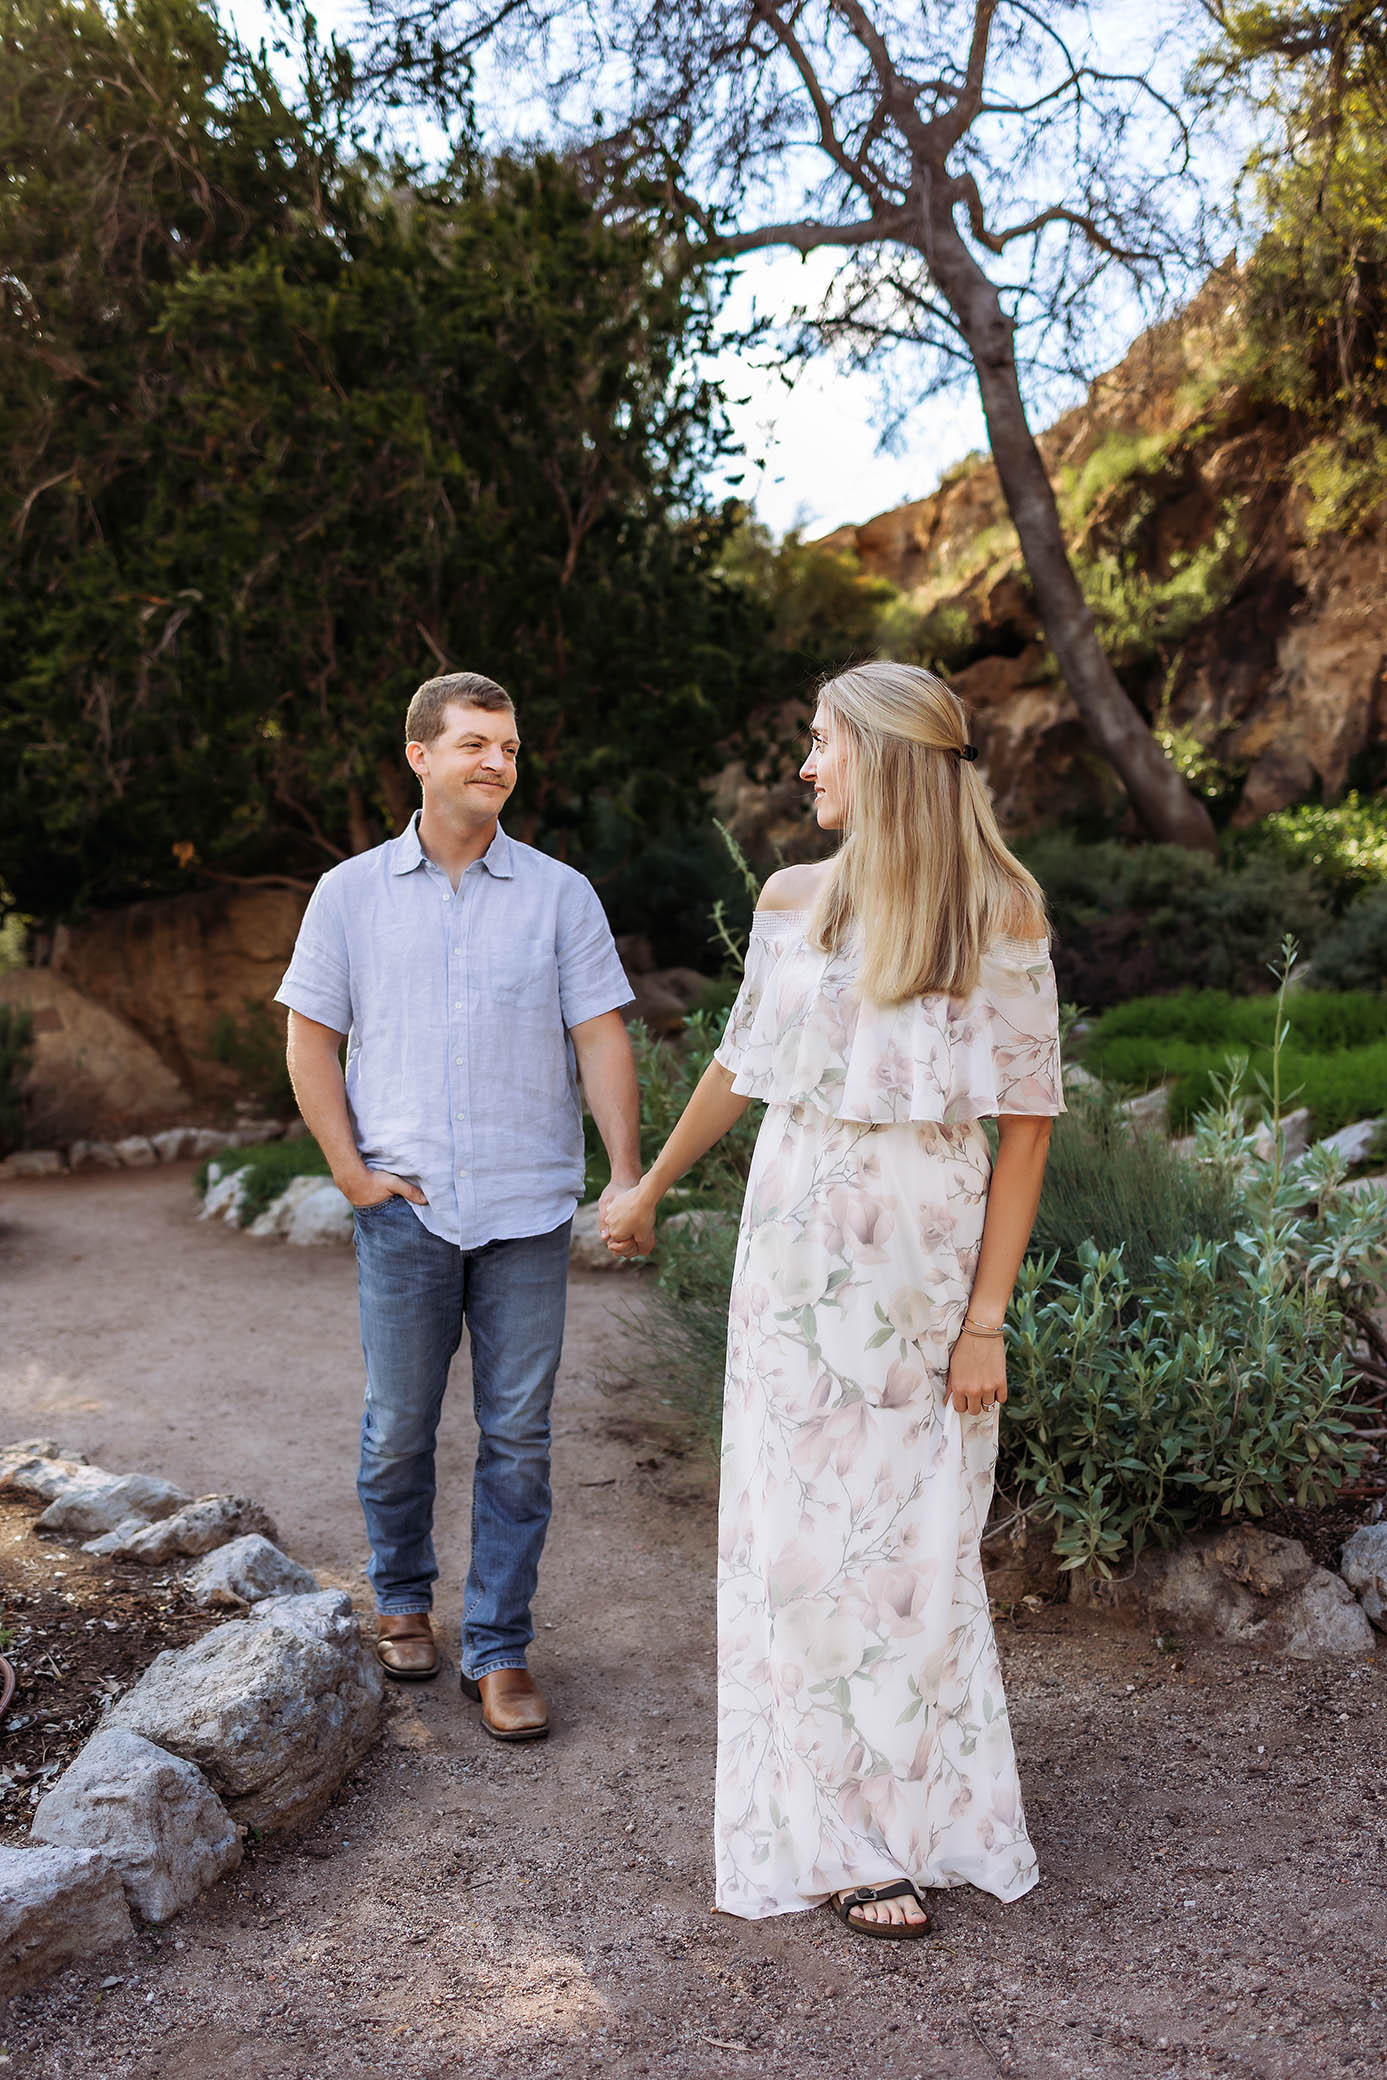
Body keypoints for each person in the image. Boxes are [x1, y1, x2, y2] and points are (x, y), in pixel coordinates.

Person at [601, 661, 1062, 1936]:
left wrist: (985, 1320)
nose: (806, 765)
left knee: (917, 1541)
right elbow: (743, 1064)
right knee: (801, 1543)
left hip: (927, 1282)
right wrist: (643, 1188)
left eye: (821, 742)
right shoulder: (794, 896)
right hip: (798, 1264)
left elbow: (1024, 1132)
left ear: (885, 755)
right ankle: (842, 1837)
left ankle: (926, 1816)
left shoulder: (1005, 913)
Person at [275, 671, 639, 1741]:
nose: (497, 762)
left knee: (518, 1437)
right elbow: (310, 1036)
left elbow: (601, 1036)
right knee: (398, 1431)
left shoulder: (561, 894)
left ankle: (500, 1646)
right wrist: (349, 1170)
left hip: (527, 1207)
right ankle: (399, 1598)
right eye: (476, 743)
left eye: (511, 748)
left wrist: (624, 1171)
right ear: (420, 756)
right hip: (405, 1207)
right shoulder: (347, 893)